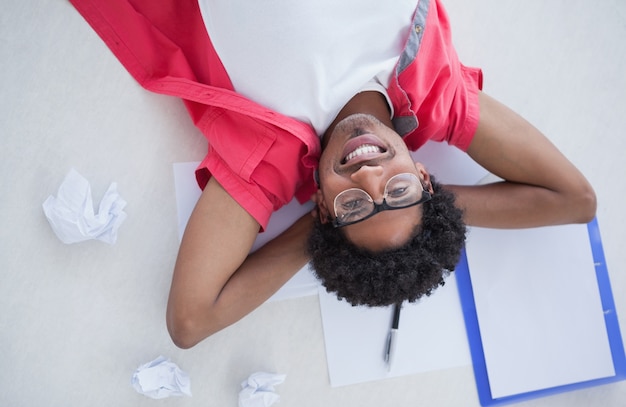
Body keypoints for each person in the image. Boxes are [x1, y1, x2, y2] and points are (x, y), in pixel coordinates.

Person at [69, 0, 596, 349]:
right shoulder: (433, 92)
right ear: (424, 177)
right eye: (396, 190)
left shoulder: (268, 156)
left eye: (355, 206)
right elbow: (574, 200)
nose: (368, 177)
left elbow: (189, 321)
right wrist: (416, 211)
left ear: (322, 208)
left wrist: (329, 234)